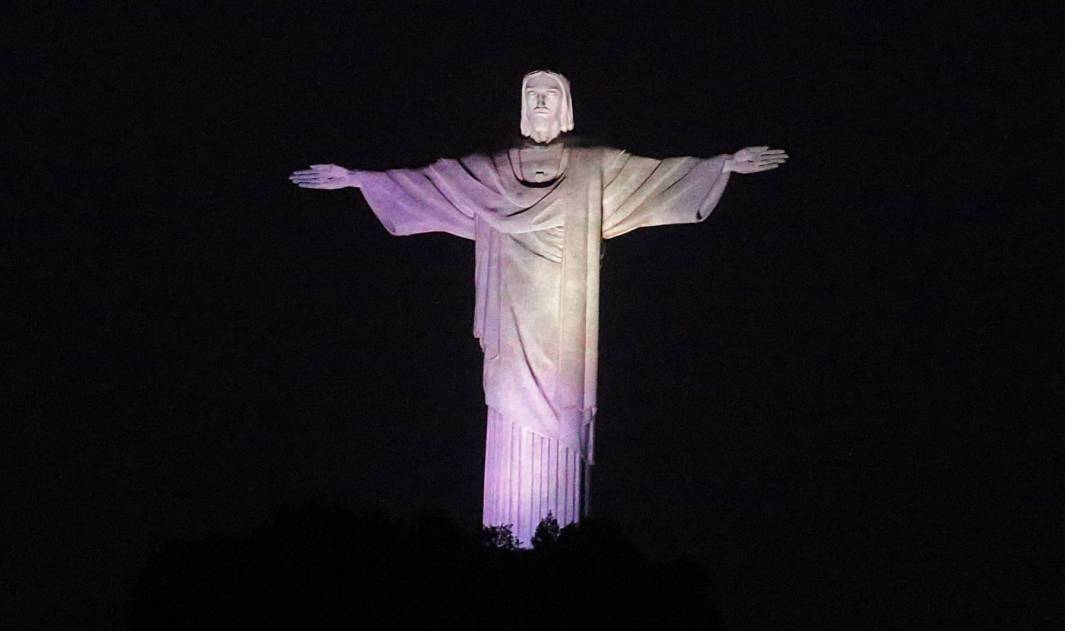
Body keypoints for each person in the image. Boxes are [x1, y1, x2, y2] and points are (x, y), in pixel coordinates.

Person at [290, 70, 787, 542]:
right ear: (523, 109)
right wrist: (357, 179)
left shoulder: (595, 169)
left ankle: (557, 559)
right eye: (532, 94)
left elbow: (659, 179)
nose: (541, 100)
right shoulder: (489, 172)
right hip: (509, 323)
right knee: (508, 420)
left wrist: (723, 164)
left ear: (566, 107)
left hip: (566, 330)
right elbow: (429, 182)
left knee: (563, 425)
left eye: (550, 93)